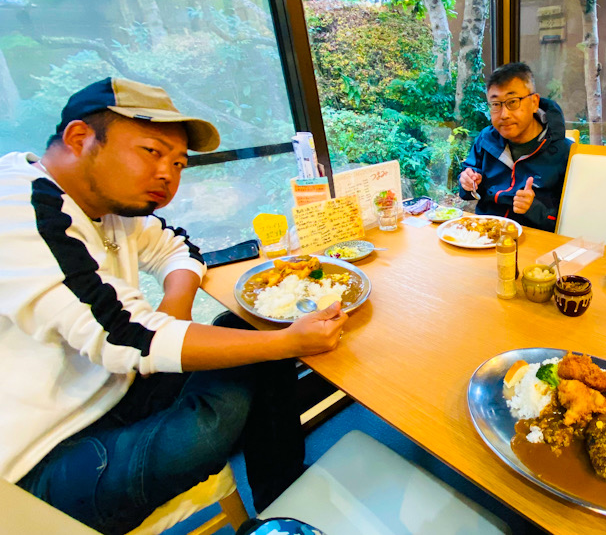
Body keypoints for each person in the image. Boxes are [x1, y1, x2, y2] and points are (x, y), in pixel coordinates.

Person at [0, 78, 348, 534]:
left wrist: (176, 311)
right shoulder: (22, 207)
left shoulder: (108, 205)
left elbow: (179, 248)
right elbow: (126, 336)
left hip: (120, 390)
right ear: (80, 139)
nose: (169, 174)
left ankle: (279, 500)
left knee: (244, 333)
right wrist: (285, 341)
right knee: (208, 427)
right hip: (43, 459)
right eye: (151, 152)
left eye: (180, 162)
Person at [458, 62, 571, 232]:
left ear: (534, 102)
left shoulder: (565, 153)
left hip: (534, 245)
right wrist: (468, 182)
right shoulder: (486, 139)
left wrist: (534, 208)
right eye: (496, 105)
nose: (504, 114)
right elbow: (466, 191)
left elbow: (569, 224)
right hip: (484, 236)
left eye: (513, 102)